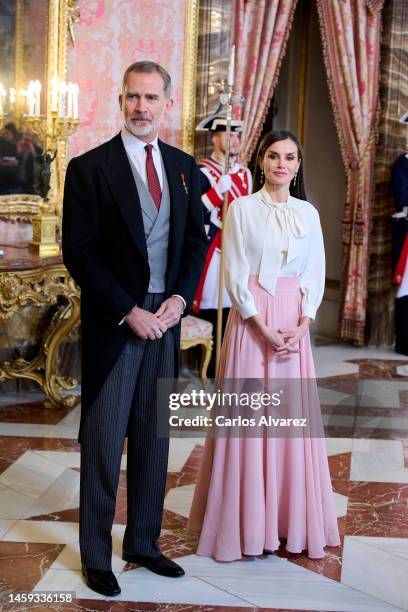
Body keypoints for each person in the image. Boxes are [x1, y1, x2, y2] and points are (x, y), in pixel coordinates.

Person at [62, 61, 207, 597]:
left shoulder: (184, 167)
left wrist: (177, 299)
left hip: (165, 319)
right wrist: (129, 310)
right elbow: (79, 253)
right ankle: (97, 555)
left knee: (154, 436)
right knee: (103, 442)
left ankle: (144, 542)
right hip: (115, 319)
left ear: (167, 104)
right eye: (132, 97)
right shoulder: (89, 168)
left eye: (151, 98)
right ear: (120, 101)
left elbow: (195, 242)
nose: (141, 107)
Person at [188, 129, 340, 560]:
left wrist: (304, 322)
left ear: (297, 166)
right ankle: (245, 526)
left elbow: (315, 271)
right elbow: (234, 272)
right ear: (262, 162)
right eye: (273, 156)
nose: (281, 164)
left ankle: (288, 523)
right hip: (252, 323)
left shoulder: (308, 213)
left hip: (293, 324)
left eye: (290, 158)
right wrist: (259, 325)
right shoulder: (240, 209)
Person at [192, 115, 252, 377]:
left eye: (237, 135)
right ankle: (209, 365)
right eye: (228, 134)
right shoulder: (203, 171)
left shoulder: (245, 173)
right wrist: (217, 191)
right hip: (214, 247)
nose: (234, 139)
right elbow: (195, 213)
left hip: (239, 248)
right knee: (210, 304)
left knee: (232, 305)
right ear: (215, 138)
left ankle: (228, 364)